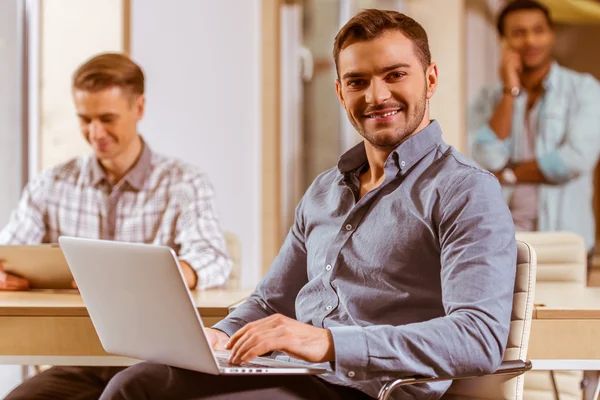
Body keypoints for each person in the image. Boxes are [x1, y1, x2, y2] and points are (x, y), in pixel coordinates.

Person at [98, 9, 516, 400]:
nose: (376, 95)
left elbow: (478, 337)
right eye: (357, 82)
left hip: (367, 389)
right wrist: (220, 335)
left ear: (431, 78)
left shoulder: (465, 190)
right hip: (291, 374)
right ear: (339, 91)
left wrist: (329, 343)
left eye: (395, 75)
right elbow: (269, 302)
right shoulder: (324, 191)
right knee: (135, 384)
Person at [3, 53, 232, 399]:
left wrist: (159, 274)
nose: (95, 133)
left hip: (153, 362)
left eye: (107, 118)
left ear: (138, 108)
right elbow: (10, 250)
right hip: (77, 359)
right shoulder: (51, 183)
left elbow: (213, 258)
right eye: (85, 119)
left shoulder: (183, 183)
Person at [469, 0, 600, 266]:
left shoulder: (585, 89)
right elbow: (488, 155)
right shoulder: (486, 99)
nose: (530, 40)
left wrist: (508, 174)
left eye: (538, 30)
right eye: (518, 33)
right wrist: (509, 91)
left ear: (551, 34)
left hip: (567, 244)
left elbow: (576, 159)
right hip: (505, 243)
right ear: (503, 40)